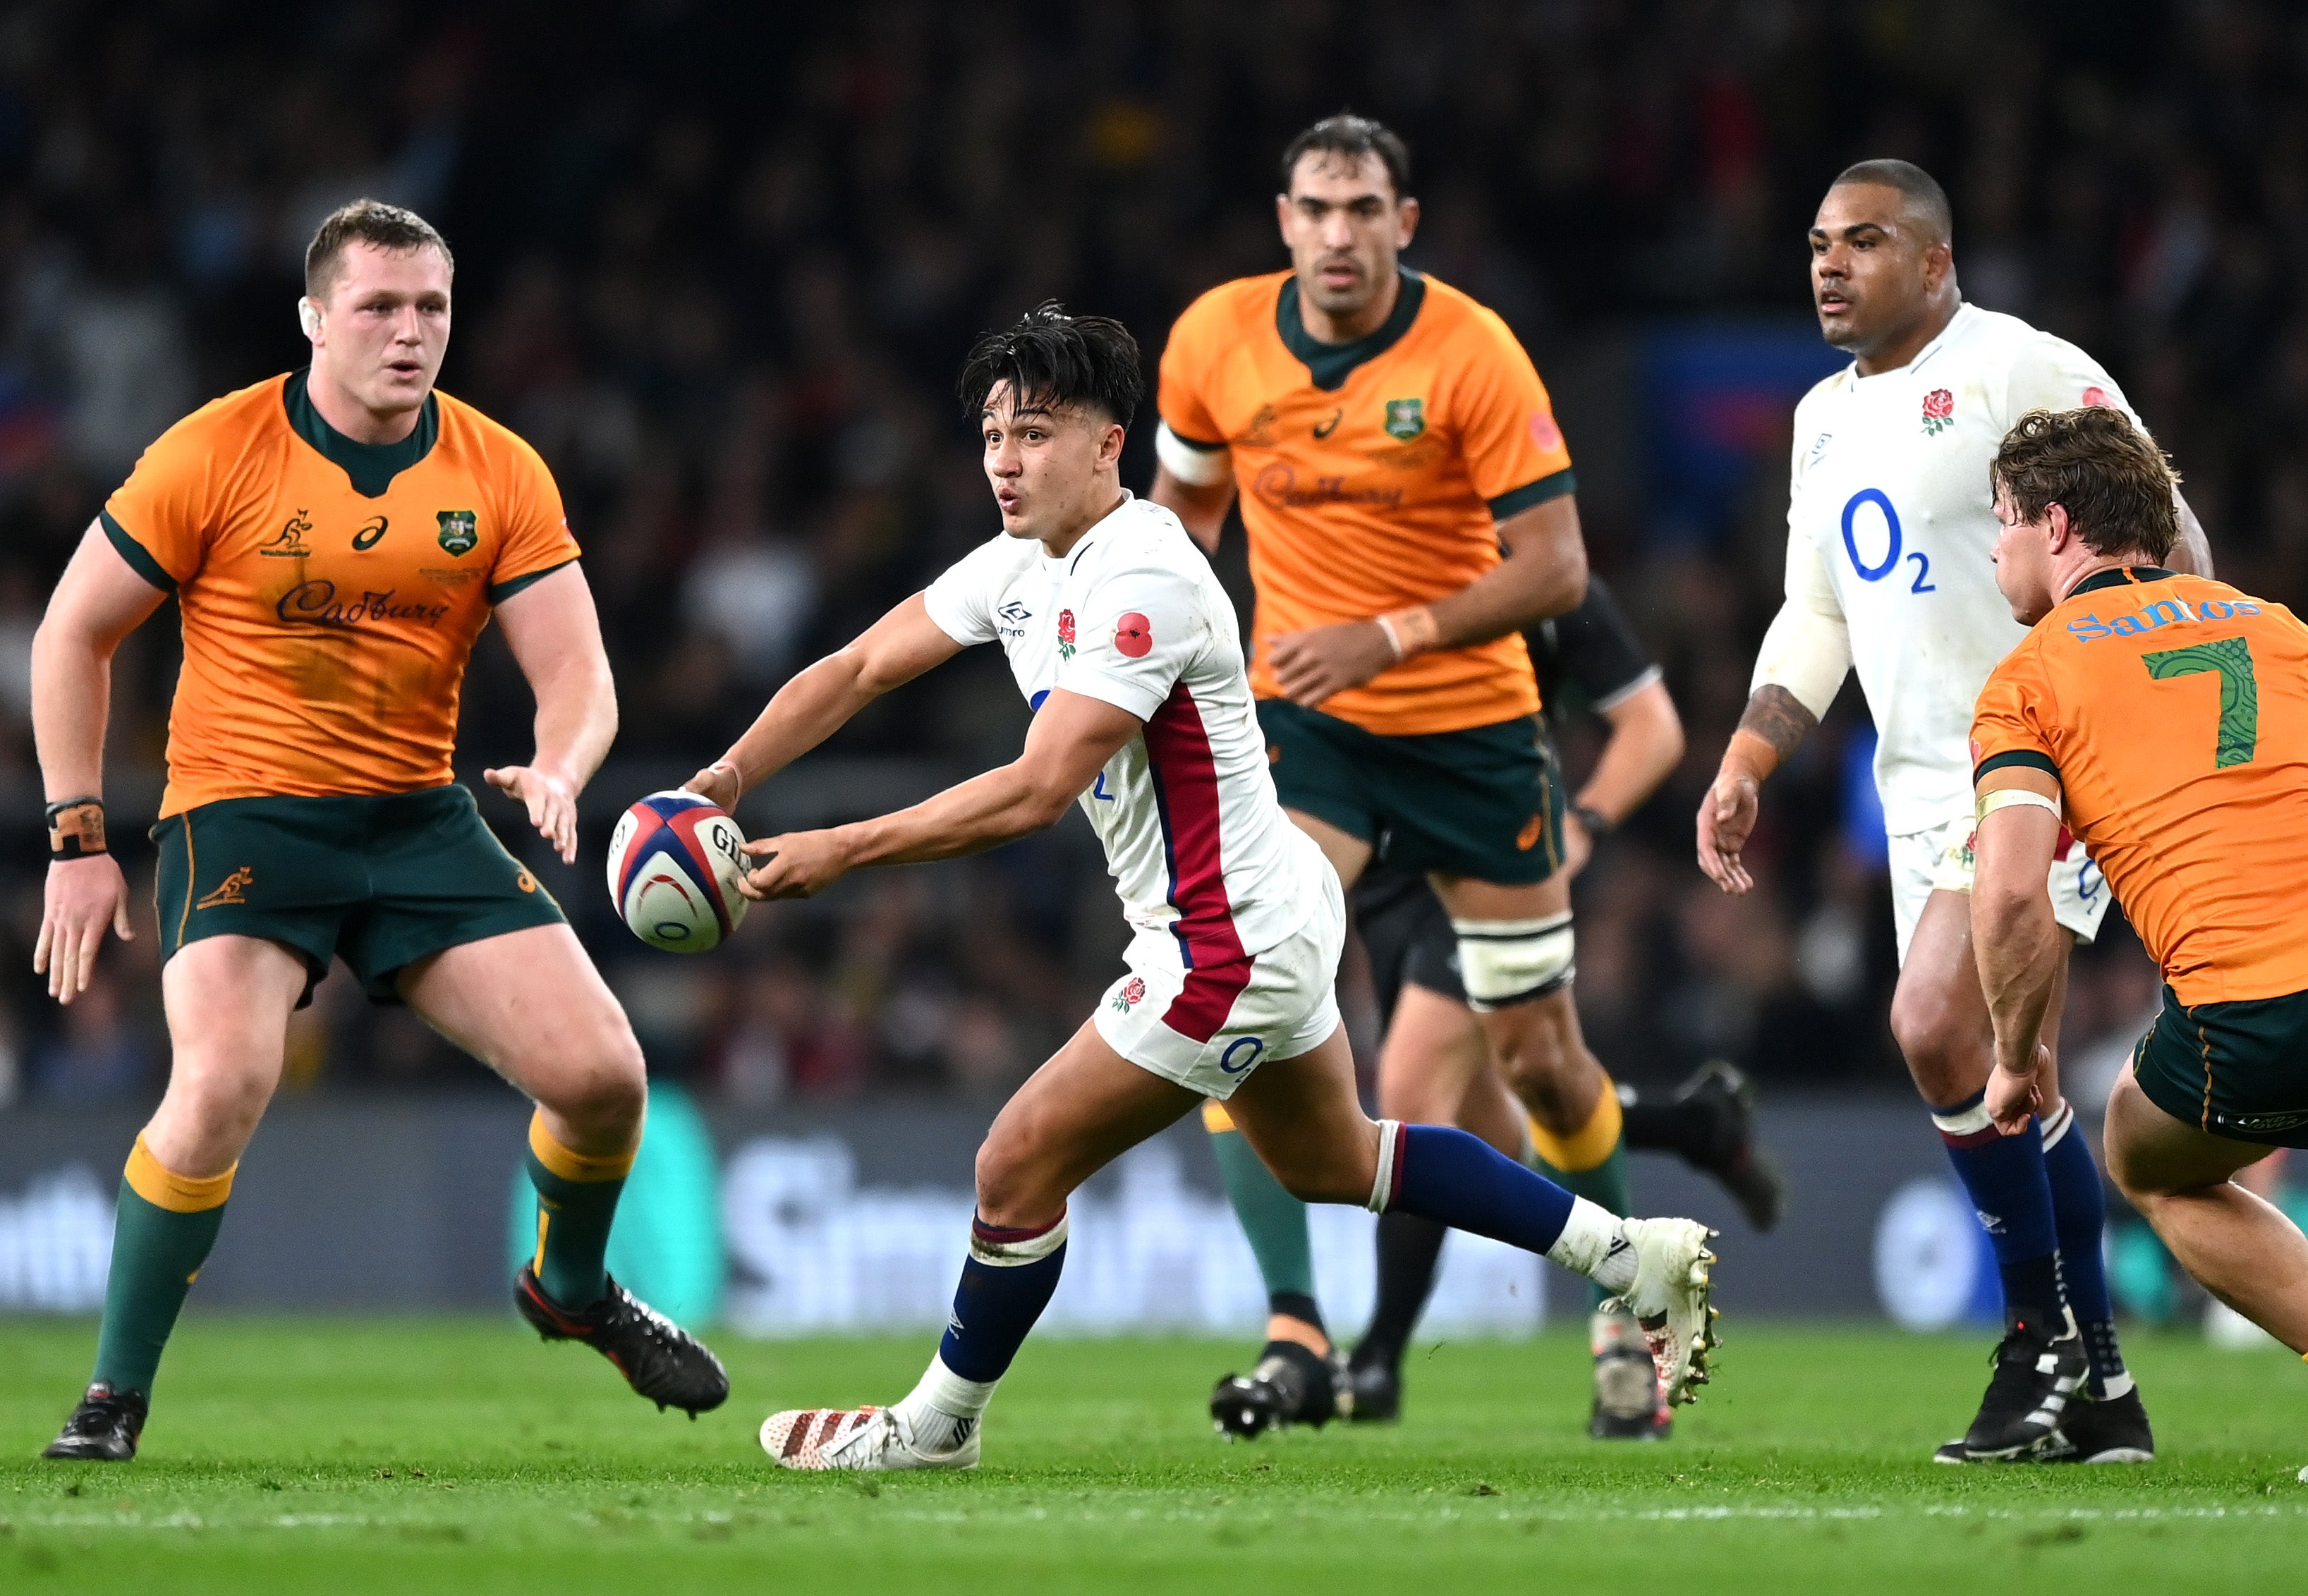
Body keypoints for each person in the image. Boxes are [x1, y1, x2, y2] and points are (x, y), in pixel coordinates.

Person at [686, 306, 1718, 1473]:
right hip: (1261, 907)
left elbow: (1035, 790)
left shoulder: (1145, 577)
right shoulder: (1019, 566)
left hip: (1224, 943)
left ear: (1106, 441)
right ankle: (1631, 1254)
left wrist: (840, 846)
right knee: (1339, 1160)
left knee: (1014, 1161)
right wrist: (718, 781)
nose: (1005, 461)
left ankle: (935, 1426)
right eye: (990, 436)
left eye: (1034, 432)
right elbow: (861, 666)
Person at [29, 200, 725, 1461]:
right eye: (379, 308)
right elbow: (73, 632)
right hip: (243, 813)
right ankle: (112, 1393)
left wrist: (564, 763)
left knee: (605, 1077)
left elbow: (578, 671)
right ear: (313, 319)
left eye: (432, 309)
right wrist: (78, 841)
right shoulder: (213, 452)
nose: (410, 334)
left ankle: (566, 1286)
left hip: (415, 819)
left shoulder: (499, 466)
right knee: (224, 1080)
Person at [1692, 159, 2213, 1465]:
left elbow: (2179, 546)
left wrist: (2142, 694)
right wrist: (1751, 751)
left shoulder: (2021, 368)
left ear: (1932, 262)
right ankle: (2092, 1380)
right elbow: (1820, 610)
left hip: (2048, 765)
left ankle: (2036, 1333)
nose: (1826, 264)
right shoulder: (1816, 417)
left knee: (1931, 1018)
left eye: (1859, 242)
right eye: (1816, 242)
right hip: (1918, 782)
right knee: (1997, 1077)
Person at [1149, 112, 1656, 1438]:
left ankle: (1624, 1305)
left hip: (1474, 741)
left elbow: (1554, 568)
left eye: (1362, 210)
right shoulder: (1211, 341)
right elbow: (1178, 527)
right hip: (1303, 731)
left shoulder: (1472, 349)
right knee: (1232, 975)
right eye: (1314, 208)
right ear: (1281, 221)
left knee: (1543, 1062)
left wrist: (1388, 633)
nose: (1336, 234)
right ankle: (1294, 1327)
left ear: (1403, 224)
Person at [1970, 403, 2308, 1482]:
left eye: (2003, 521)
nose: (1994, 548)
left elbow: (2015, 891)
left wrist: (2017, 1056)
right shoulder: (2271, 620)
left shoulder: (2029, 678)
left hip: (2245, 1011)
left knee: (2146, 1160)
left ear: (2057, 526)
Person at [1202, 578, 1785, 1442]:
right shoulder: (1338, 538)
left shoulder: (1543, 569)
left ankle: (1416, 1354)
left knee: (1414, 1087)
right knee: (1496, 1109)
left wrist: (1582, 822)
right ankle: (1690, 1124)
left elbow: (1652, 724)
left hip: (1481, 843)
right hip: (1381, 872)